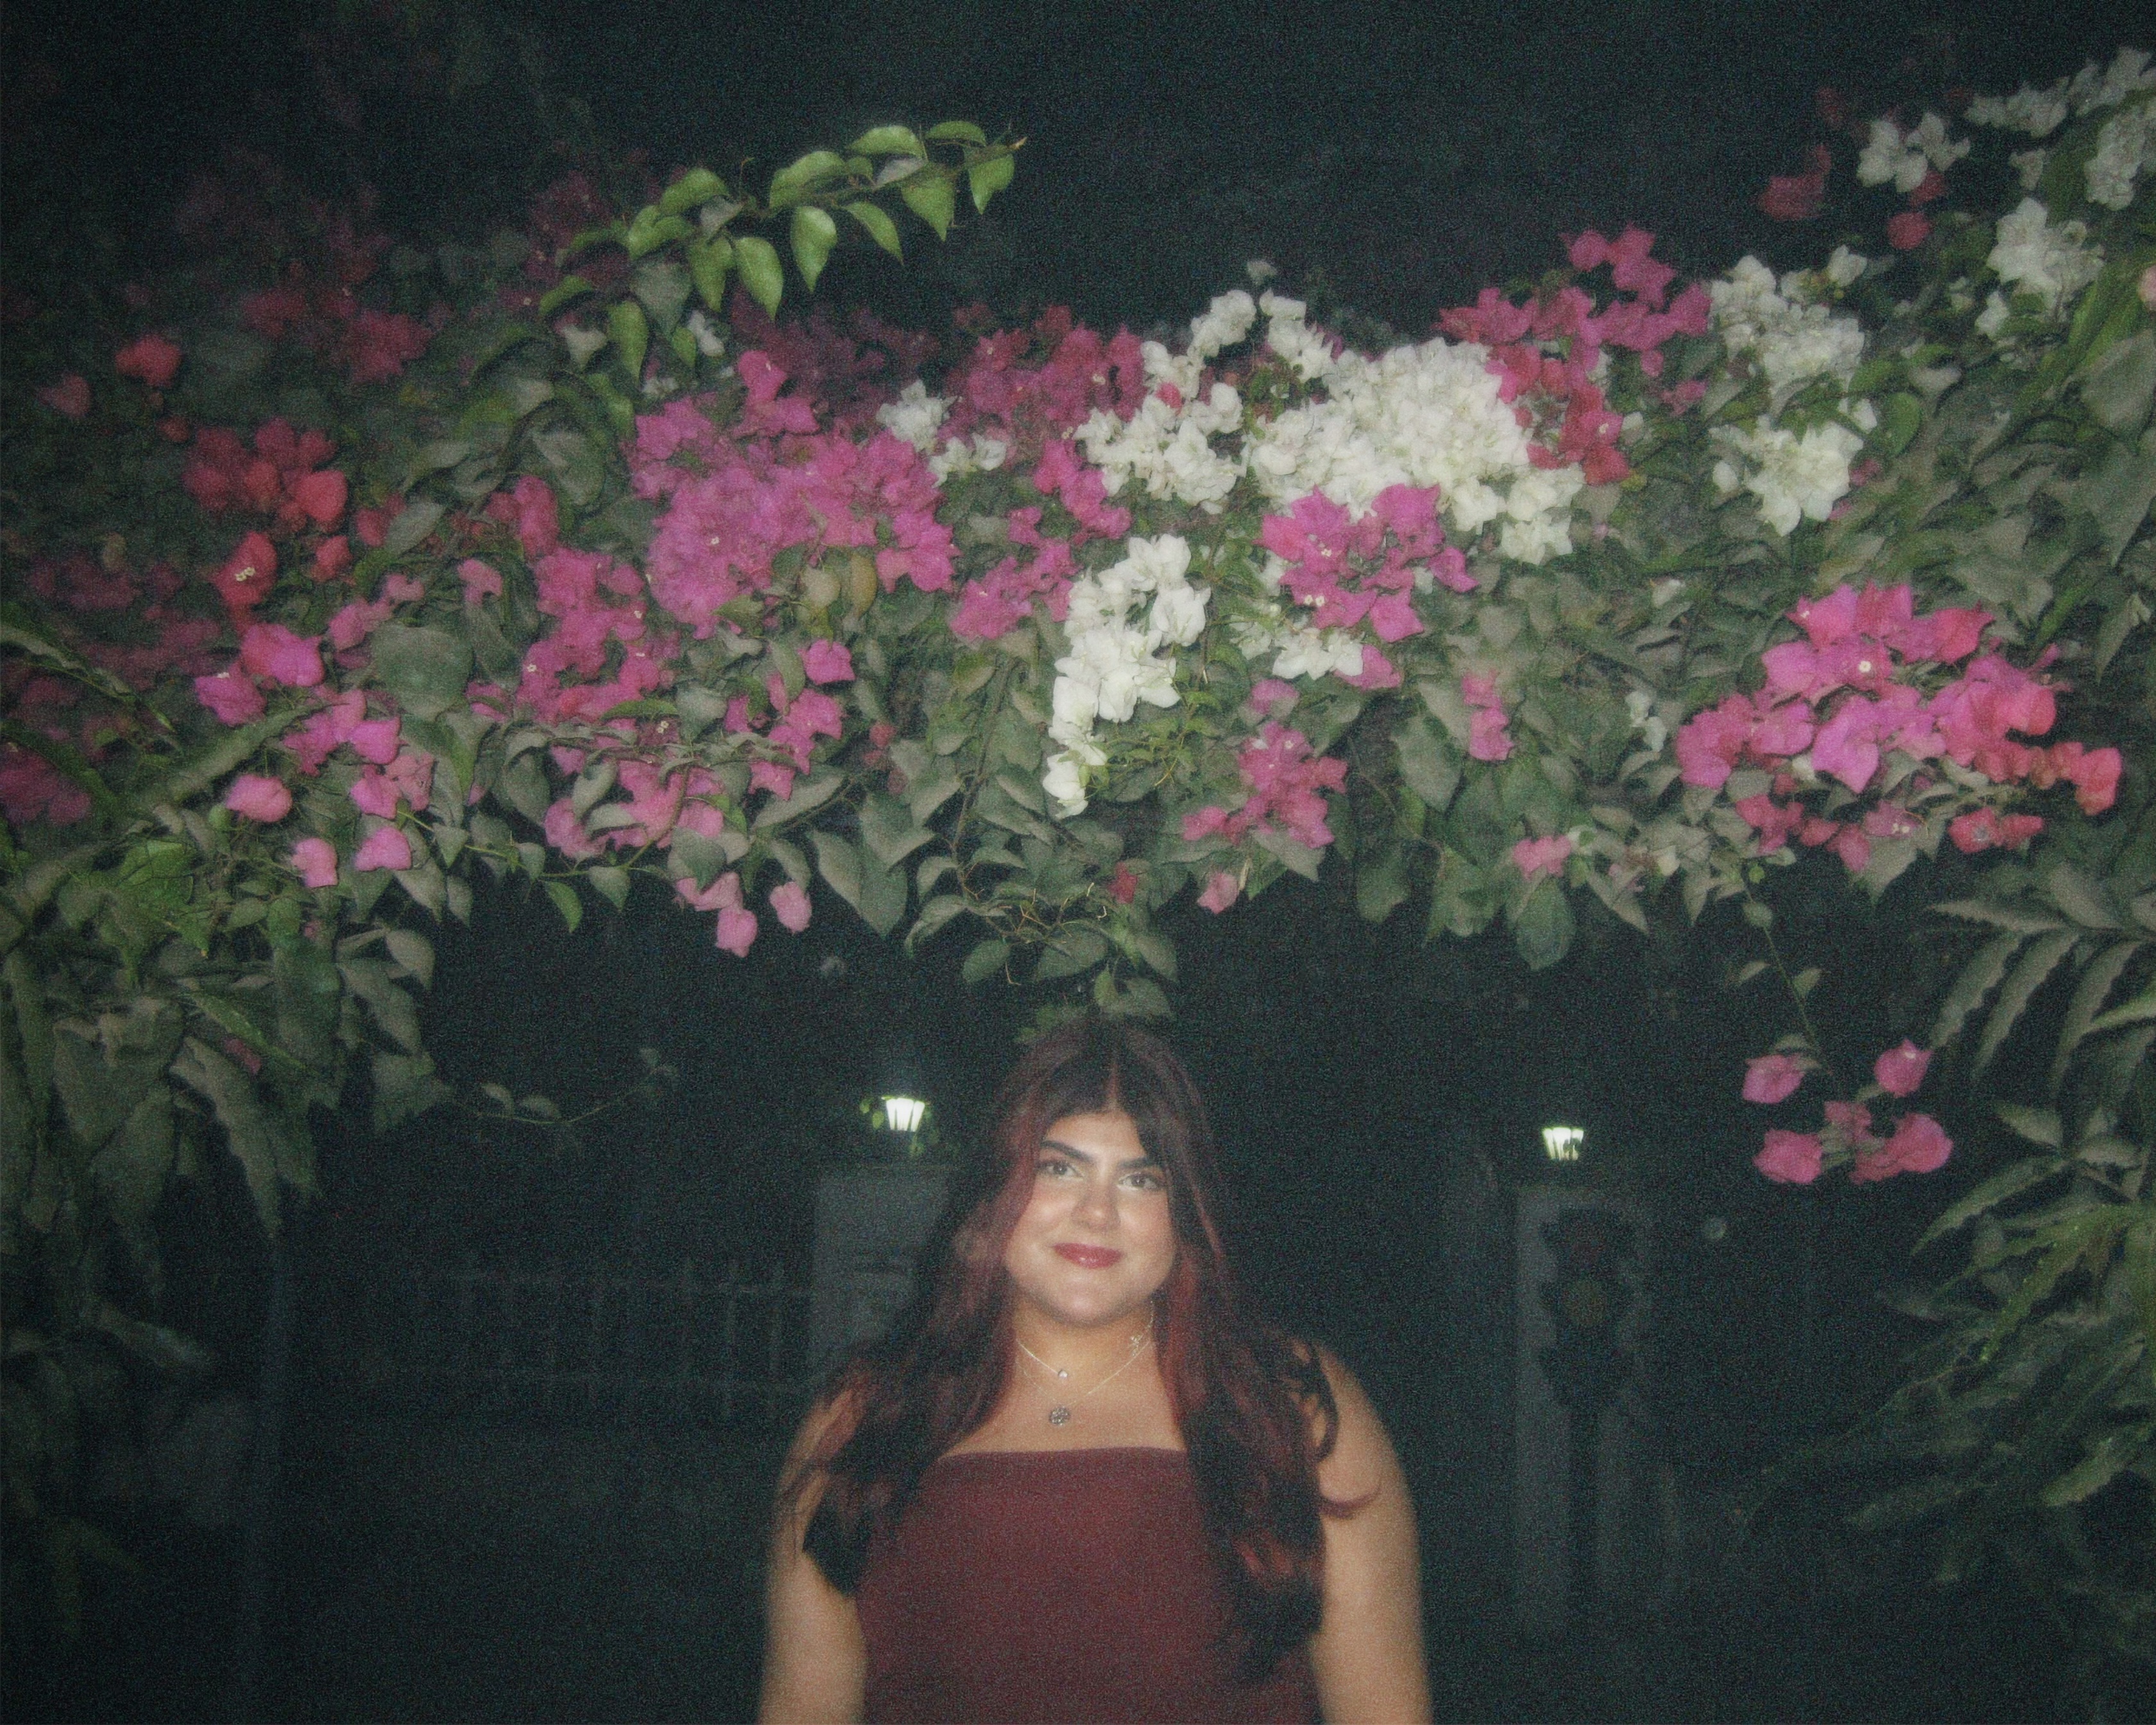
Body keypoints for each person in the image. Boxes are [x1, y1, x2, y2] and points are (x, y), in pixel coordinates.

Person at [760, 1016, 1430, 1724]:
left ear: (1186, 1212)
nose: (1097, 1212)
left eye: (1141, 1179)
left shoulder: (1287, 1406)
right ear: (994, 1189)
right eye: (1059, 1168)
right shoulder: (866, 1416)